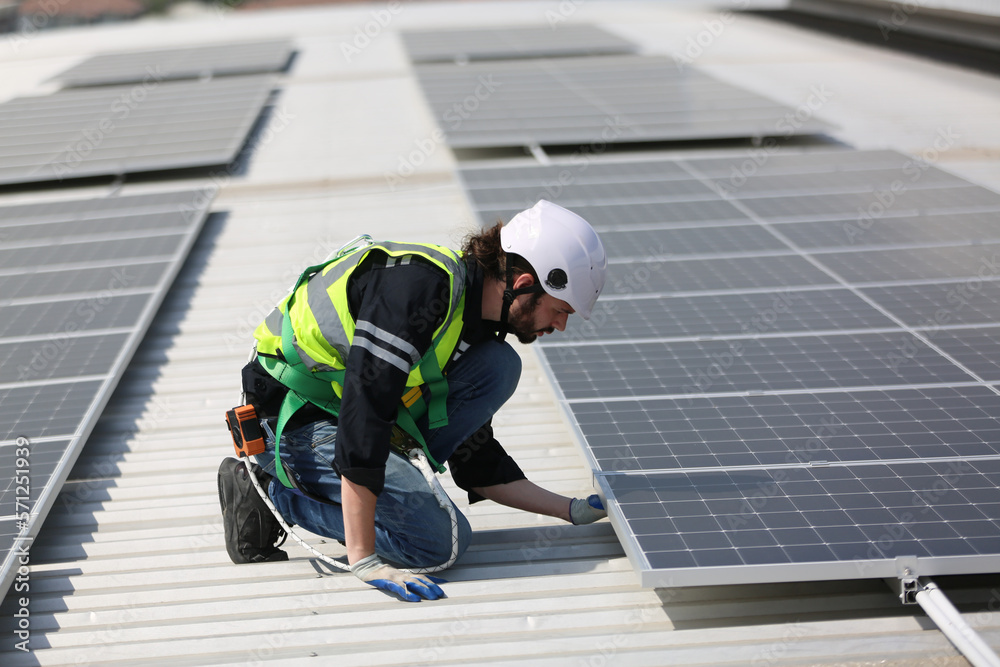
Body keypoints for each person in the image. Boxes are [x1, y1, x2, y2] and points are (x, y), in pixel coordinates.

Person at [218, 199, 609, 602]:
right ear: (524, 284)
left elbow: (475, 457)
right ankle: (269, 492)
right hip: (293, 420)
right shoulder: (420, 290)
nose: (560, 325)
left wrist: (572, 510)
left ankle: (385, 484)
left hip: (346, 416)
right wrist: (364, 558)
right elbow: (365, 415)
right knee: (436, 546)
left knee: (499, 365)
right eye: (560, 310)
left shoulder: (474, 321)